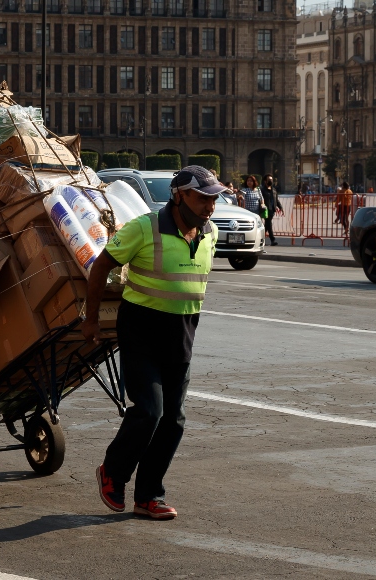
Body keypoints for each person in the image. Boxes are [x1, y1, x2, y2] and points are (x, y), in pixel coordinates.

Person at [86, 165, 221, 520]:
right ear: (179, 196)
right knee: (149, 410)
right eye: (203, 197)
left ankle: (149, 496)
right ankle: (112, 473)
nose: (211, 205)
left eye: (214, 198)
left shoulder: (211, 233)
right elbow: (101, 267)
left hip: (182, 335)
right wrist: (90, 320)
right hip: (141, 331)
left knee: (173, 419)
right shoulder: (144, 228)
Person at [260, 174, 283, 246]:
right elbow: (260, 199)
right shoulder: (262, 190)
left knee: (267, 225)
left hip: (272, 209)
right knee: (269, 224)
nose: (270, 181)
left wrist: (280, 207)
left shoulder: (274, 189)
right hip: (266, 209)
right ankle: (273, 240)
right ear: (265, 181)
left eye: (271, 179)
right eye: (269, 179)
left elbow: (276, 200)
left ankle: (260, 239)